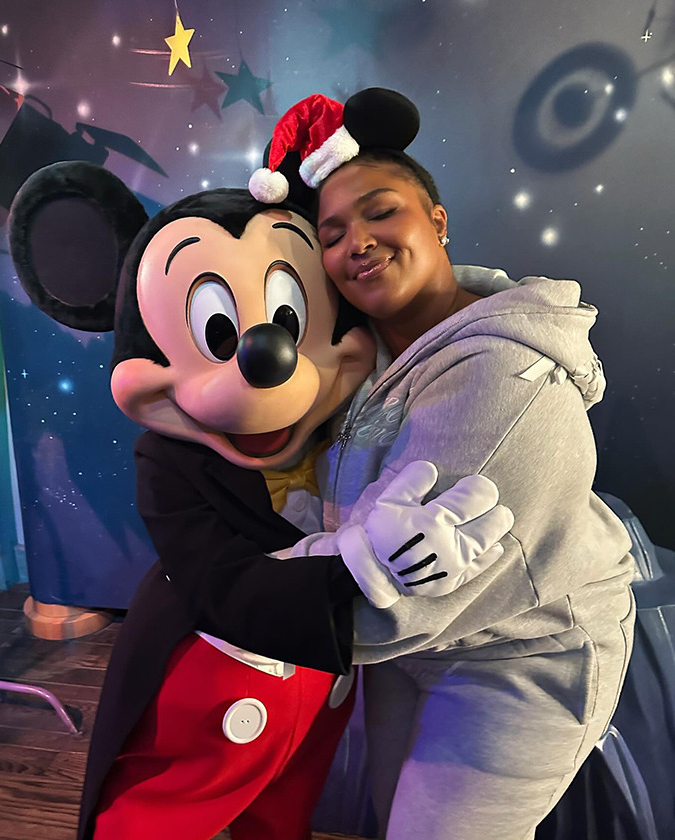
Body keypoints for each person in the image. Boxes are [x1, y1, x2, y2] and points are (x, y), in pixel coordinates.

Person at [8, 166, 512, 840]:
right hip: (217, 672)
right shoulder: (167, 461)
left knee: (284, 807)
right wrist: (359, 567)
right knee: (162, 810)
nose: (265, 356)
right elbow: (217, 580)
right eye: (219, 333)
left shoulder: (360, 418)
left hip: (320, 685)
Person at [248, 88, 636, 839]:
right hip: (417, 649)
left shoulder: (499, 376)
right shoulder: (372, 359)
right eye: (330, 233)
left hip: (525, 653)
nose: (355, 241)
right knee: (391, 816)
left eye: (380, 211)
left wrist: (236, 599)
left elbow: (405, 591)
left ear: (437, 219)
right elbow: (345, 507)